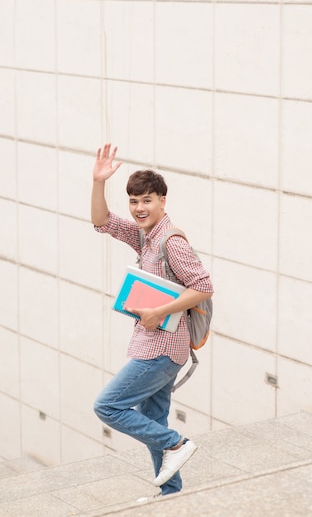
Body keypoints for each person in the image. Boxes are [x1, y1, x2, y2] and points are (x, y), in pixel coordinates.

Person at [91, 144, 214, 496]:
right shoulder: (145, 235)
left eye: (146, 200)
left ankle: (176, 443)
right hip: (158, 344)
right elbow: (102, 222)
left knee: (108, 406)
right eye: (133, 201)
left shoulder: (170, 240)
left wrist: (159, 311)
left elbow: (204, 286)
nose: (139, 208)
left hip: (161, 348)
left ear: (162, 200)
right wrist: (98, 181)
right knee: (152, 419)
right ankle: (171, 493)